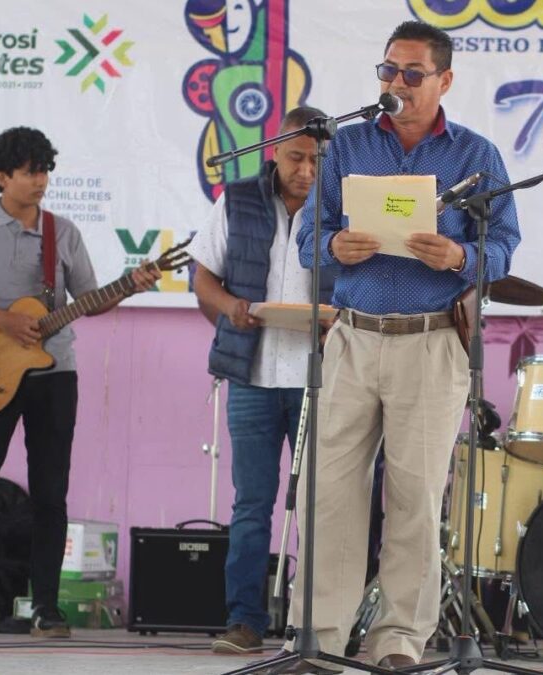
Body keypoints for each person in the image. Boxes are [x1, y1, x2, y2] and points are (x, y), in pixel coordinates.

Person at [283, 20, 520, 672]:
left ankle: (397, 642)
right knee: (330, 493)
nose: (396, 84)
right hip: (353, 337)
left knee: (414, 496)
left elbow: (504, 243)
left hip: (430, 341)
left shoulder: (476, 155)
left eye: (412, 74)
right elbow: (309, 235)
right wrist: (335, 245)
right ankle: (320, 640)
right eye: (388, 71)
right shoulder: (347, 144)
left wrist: (461, 254)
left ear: (444, 80)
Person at [0, 126, 160, 638]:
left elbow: (90, 298)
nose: (41, 180)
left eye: (45, 170)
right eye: (30, 171)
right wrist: (2, 322)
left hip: (55, 375)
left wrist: (130, 286)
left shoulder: (62, 233)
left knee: (50, 493)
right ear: (2, 176)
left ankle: (46, 608)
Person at [187, 106, 334, 653]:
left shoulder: (342, 207)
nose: (307, 171)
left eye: (318, 161)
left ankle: (313, 625)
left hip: (320, 378)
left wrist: (334, 317)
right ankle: (244, 622)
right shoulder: (239, 199)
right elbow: (202, 278)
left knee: (322, 504)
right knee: (252, 503)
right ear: (274, 149)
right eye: (296, 157)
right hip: (250, 372)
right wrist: (233, 307)